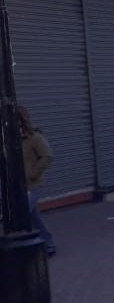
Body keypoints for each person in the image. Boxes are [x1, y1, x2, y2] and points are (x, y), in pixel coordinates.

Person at [17, 105, 56, 256]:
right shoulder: (9, 138)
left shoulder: (34, 137)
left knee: (21, 215)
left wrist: (32, 173)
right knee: (34, 217)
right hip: (19, 186)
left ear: (21, 120)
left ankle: (26, 248)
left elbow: (48, 156)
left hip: (33, 185)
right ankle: (49, 243)